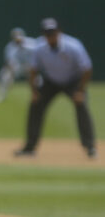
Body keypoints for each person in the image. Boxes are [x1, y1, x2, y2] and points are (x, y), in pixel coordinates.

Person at [14, 18, 96, 159]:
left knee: (81, 104)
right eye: (47, 33)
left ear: (59, 32)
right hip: (51, 81)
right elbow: (33, 71)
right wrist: (34, 91)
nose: (50, 37)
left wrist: (81, 91)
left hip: (73, 80)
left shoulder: (73, 46)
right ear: (43, 34)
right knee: (35, 105)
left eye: (52, 33)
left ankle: (90, 147)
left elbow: (87, 69)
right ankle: (30, 147)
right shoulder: (39, 48)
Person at [0, 27, 40, 103]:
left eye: (19, 38)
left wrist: (33, 67)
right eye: (16, 38)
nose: (18, 40)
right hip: (18, 67)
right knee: (5, 75)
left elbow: (38, 55)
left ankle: (38, 95)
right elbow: (10, 62)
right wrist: (12, 71)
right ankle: (2, 95)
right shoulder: (9, 47)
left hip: (30, 66)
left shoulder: (32, 43)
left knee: (38, 80)